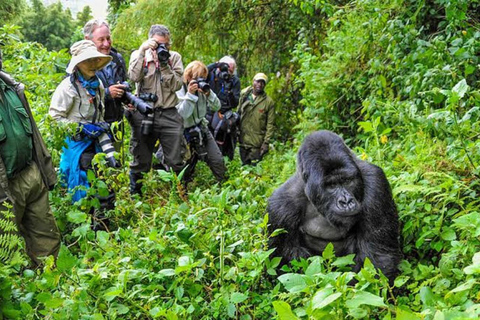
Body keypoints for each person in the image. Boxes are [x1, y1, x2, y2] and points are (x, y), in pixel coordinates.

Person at [0, 44, 60, 266]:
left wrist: (46, 172)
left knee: (46, 237)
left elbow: (34, 134)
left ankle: (50, 287)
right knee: (8, 251)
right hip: (4, 186)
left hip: (30, 173)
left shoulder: (11, 87)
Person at [49, 40, 116, 229]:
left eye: (96, 60)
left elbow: (99, 112)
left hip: (97, 143)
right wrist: (79, 127)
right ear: (78, 64)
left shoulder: (98, 84)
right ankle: (82, 230)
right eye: (89, 61)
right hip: (77, 145)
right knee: (81, 187)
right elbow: (54, 118)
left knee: (104, 183)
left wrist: (101, 127)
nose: (93, 65)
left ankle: (102, 227)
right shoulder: (67, 88)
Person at [127, 24, 184, 194]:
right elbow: (133, 77)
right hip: (145, 112)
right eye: (158, 44)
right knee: (141, 159)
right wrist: (142, 51)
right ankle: (136, 194)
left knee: (175, 159)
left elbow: (177, 85)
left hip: (169, 112)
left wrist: (165, 64)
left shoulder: (174, 58)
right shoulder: (139, 56)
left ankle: (178, 193)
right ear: (150, 41)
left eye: (165, 44)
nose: (162, 47)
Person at [176, 61, 226, 184]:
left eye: (203, 78)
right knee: (185, 166)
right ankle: (182, 192)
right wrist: (191, 95)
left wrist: (209, 94)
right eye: (197, 78)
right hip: (183, 132)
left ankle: (224, 185)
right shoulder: (178, 89)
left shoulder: (203, 89)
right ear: (188, 77)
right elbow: (183, 115)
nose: (200, 81)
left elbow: (217, 106)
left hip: (201, 128)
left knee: (217, 160)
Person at [83, 19, 128, 126]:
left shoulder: (117, 58)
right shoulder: (80, 63)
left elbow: (123, 80)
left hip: (116, 122)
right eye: (101, 40)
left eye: (108, 38)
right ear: (87, 40)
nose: (106, 44)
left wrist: (125, 93)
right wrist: (107, 93)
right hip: (92, 125)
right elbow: (77, 97)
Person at [206, 56, 241, 160]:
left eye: (230, 70)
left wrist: (229, 91)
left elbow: (235, 103)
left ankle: (223, 159)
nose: (227, 73)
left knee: (225, 140)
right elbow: (198, 74)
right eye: (225, 69)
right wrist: (216, 65)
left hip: (224, 114)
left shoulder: (234, 81)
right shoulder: (211, 75)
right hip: (208, 112)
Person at [237, 73, 275, 165]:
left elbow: (270, 124)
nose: (259, 84)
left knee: (254, 170)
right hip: (243, 141)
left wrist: (266, 142)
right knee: (244, 168)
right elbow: (238, 113)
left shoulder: (268, 102)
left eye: (262, 82)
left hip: (257, 143)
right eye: (258, 81)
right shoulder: (244, 95)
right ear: (253, 81)